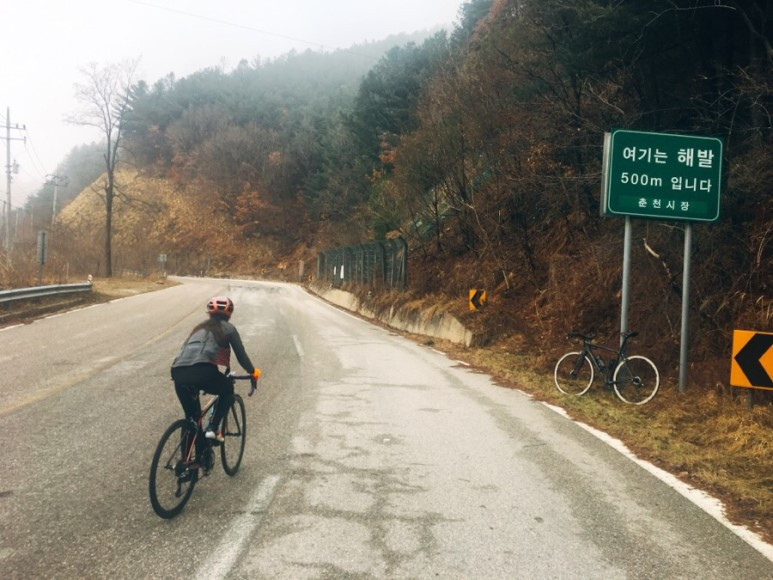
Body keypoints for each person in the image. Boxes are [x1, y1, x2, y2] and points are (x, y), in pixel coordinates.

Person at [171, 296, 261, 443]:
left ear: (210, 312)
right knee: (227, 389)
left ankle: (192, 455)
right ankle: (213, 428)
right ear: (229, 313)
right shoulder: (229, 328)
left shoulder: (198, 328)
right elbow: (241, 355)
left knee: (192, 419)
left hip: (178, 372)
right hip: (203, 372)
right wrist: (252, 371)